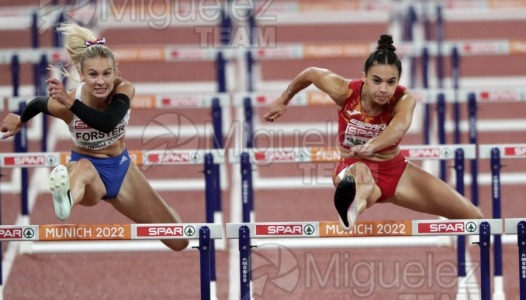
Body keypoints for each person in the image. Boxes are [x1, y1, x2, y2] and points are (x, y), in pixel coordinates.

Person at [263, 34, 483, 231]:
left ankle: (355, 204)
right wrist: (283, 100)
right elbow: (311, 73)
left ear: (398, 82)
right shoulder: (345, 91)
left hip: (395, 170)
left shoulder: (403, 100)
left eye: (391, 82)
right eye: (376, 81)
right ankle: (351, 208)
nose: (383, 89)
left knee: (475, 218)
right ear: (364, 77)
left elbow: (398, 128)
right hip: (354, 168)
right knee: (363, 179)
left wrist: (373, 145)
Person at [0, 22, 188, 251]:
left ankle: (168, 216)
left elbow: (108, 123)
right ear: (82, 75)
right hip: (89, 173)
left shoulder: (123, 89)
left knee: (179, 239)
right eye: (93, 74)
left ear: (115, 73)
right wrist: (21, 118)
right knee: (84, 168)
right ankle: (66, 196)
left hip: (122, 168)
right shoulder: (66, 105)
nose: (101, 81)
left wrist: (71, 103)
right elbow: (39, 103)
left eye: (107, 73)